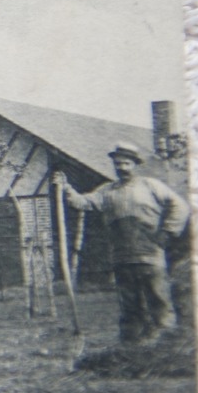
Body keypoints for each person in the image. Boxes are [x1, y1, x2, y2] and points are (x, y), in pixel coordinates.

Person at [60, 142, 189, 345]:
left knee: (158, 297)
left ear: (135, 164)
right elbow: (83, 202)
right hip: (121, 255)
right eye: (118, 164)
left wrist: (168, 231)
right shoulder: (107, 191)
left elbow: (179, 206)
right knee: (129, 301)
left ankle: (167, 338)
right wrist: (67, 189)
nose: (122, 168)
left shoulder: (150, 186)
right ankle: (132, 341)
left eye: (126, 163)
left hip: (150, 252)